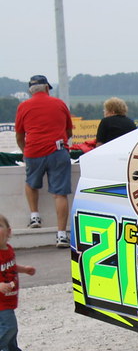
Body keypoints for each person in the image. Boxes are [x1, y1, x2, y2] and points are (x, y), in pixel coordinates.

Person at [14, 75, 73, 248]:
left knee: (31, 183)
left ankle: (34, 216)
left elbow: (19, 135)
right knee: (60, 193)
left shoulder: (23, 106)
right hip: (58, 150)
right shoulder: (59, 104)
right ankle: (61, 235)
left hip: (33, 151)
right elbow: (68, 131)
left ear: (30, 90)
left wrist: (25, 151)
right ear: (47, 88)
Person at [0, 213, 37, 351]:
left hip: (8, 298)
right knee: (9, 327)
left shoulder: (8, 249)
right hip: (1, 302)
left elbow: (11, 266)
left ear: (9, 231)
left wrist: (23, 269)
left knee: (10, 331)